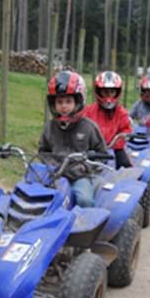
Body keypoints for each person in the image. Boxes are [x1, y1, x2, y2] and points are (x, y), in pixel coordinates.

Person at [39, 70, 108, 208]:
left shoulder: (89, 127)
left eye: (68, 101)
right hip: (54, 175)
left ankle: (86, 225)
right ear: (53, 104)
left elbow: (102, 154)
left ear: (78, 101)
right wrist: (51, 164)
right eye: (59, 101)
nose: (64, 106)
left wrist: (86, 167)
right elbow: (43, 151)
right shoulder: (50, 127)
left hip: (79, 177)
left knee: (85, 200)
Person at [84, 70, 133, 169]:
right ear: (99, 92)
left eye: (112, 92)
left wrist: (119, 141)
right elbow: (82, 126)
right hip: (93, 148)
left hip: (114, 147)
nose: (109, 96)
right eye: (105, 92)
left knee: (126, 166)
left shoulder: (121, 112)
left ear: (117, 93)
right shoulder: (89, 111)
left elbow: (126, 129)